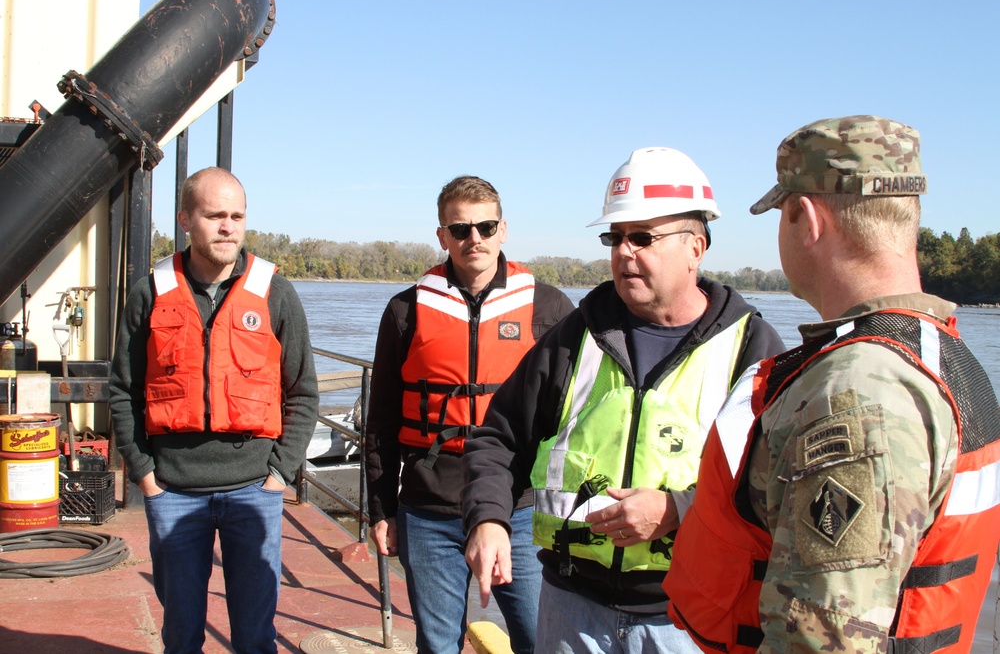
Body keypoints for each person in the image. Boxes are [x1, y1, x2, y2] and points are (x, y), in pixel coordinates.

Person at [663, 116, 1000, 653]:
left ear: (805, 217)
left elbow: (828, 639)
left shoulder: (861, 390)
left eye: (781, 214)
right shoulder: (943, 356)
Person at [462, 147, 786, 653]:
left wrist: (681, 507)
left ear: (695, 248)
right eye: (615, 238)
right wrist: (488, 518)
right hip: (570, 608)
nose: (623, 252)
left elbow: (778, 488)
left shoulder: (752, 349)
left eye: (642, 238)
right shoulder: (576, 335)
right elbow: (498, 437)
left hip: (687, 617)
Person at [110, 167, 319, 654]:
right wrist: (144, 475)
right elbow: (122, 390)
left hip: (254, 491)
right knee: (181, 635)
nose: (228, 226)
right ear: (185, 219)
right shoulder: (150, 293)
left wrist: (280, 473)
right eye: (214, 215)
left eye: (237, 216)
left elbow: (303, 392)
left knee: (254, 635)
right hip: (173, 491)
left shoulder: (274, 293)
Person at [364, 175, 575, 654]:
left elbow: (576, 418)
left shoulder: (549, 307)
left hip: (518, 510)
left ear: (503, 230)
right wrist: (383, 510)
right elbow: (380, 423)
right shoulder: (406, 311)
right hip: (429, 508)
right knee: (437, 645)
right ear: (442, 236)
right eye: (460, 229)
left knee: (540, 641)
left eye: (485, 226)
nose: (473, 239)